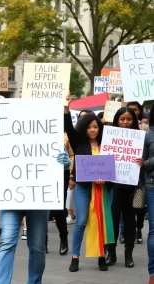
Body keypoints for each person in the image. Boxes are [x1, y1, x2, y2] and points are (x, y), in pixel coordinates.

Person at [0, 148, 71, 283]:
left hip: (39, 198)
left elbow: (60, 157)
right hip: (11, 196)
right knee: (7, 241)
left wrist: (66, 163)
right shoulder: (5, 132)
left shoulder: (49, 131)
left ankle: (34, 282)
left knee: (38, 246)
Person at [64, 95, 113, 272]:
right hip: (84, 188)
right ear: (84, 128)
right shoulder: (79, 144)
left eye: (96, 127)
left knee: (101, 221)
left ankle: (101, 255)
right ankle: (75, 256)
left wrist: (105, 178)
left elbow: (114, 164)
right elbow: (68, 128)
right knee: (82, 221)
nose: (93, 130)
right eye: (90, 127)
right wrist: (66, 109)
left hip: (102, 188)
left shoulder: (107, 144)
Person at [106, 107, 143, 268]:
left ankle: (129, 254)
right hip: (114, 187)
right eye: (122, 119)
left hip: (131, 187)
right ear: (117, 120)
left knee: (130, 222)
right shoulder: (109, 136)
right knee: (112, 221)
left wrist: (143, 162)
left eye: (129, 119)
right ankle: (111, 253)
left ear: (134, 121)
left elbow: (147, 160)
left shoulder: (140, 138)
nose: (125, 122)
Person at [141, 104, 154, 284]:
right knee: (153, 231)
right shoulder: (148, 134)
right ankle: (153, 273)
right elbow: (142, 162)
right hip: (152, 185)